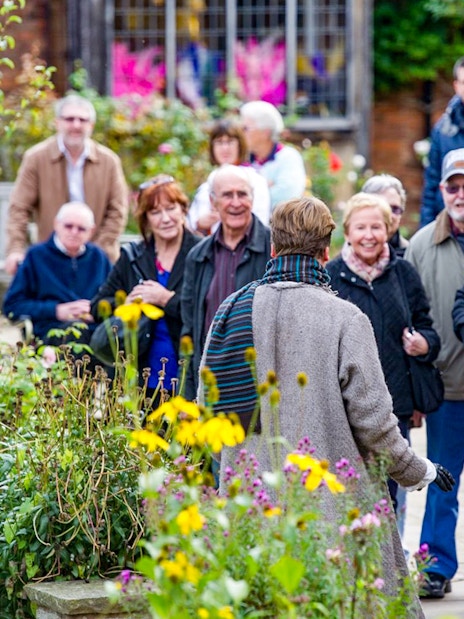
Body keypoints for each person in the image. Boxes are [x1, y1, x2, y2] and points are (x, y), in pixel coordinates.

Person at [199, 196, 454, 617]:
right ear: (325, 251)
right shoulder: (344, 317)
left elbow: (209, 413)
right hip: (331, 509)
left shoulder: (231, 311)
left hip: (250, 505)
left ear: (274, 248)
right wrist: (417, 470)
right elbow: (375, 425)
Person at [325, 192, 440, 543]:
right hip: (343, 405)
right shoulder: (331, 275)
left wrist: (424, 344)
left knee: (388, 493)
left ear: (389, 229)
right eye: (361, 227)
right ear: (347, 231)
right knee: (347, 492)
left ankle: (385, 575)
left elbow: (427, 326)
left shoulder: (403, 273)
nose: (369, 235)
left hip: (395, 406)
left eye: (377, 226)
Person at [406, 147, 464, 598]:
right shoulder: (422, 244)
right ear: (442, 189)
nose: (461, 193)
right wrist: (416, 393)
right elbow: (411, 319)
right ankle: (435, 567)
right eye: (453, 185)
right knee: (441, 483)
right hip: (447, 389)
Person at [91, 174, 201, 398]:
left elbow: (208, 310)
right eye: (155, 212)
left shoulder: (201, 253)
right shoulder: (133, 256)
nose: (165, 218)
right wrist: (126, 304)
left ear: (183, 210)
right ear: (145, 219)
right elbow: (97, 306)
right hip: (140, 375)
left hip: (187, 373)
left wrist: (166, 300)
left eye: (171, 208)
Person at [5, 94, 129, 275]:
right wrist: (16, 249)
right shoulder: (36, 158)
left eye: (82, 120)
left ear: (91, 126)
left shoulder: (109, 161)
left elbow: (118, 211)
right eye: (69, 119)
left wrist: (95, 253)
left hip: (99, 260)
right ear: (57, 123)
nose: (76, 125)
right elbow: (19, 208)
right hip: (50, 259)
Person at [181, 164, 271, 400]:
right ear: (213, 202)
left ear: (253, 198)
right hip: (210, 380)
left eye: (242, 194)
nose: (236, 202)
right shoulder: (198, 256)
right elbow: (189, 328)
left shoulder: (273, 248)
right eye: (227, 195)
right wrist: (188, 392)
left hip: (257, 381)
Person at [2, 201, 112, 346]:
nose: (74, 232)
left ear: (91, 231)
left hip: (94, 330)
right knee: (76, 334)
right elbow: (12, 306)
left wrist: (95, 310)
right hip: (49, 331)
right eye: (68, 226)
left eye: (81, 229)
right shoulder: (36, 256)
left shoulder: (99, 257)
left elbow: (113, 297)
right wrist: (56, 310)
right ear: (56, 224)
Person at [187, 120, 270, 234]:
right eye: (219, 142)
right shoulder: (206, 185)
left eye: (230, 142)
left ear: (240, 145)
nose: (225, 148)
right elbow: (190, 223)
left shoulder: (254, 180)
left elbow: (261, 222)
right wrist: (200, 223)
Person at [420, 56, 464, 227]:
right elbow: (431, 184)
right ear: (456, 86)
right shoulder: (443, 131)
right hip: (450, 223)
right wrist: (426, 230)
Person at [239, 100, 307, 210]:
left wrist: (251, 190)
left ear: (265, 132)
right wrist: (265, 186)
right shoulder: (243, 158)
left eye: (245, 129)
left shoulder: (288, 157)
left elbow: (286, 198)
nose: (241, 133)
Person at [362, 173, 409, 257]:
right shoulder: (345, 260)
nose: (389, 215)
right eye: (382, 207)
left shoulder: (412, 255)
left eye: (394, 209)